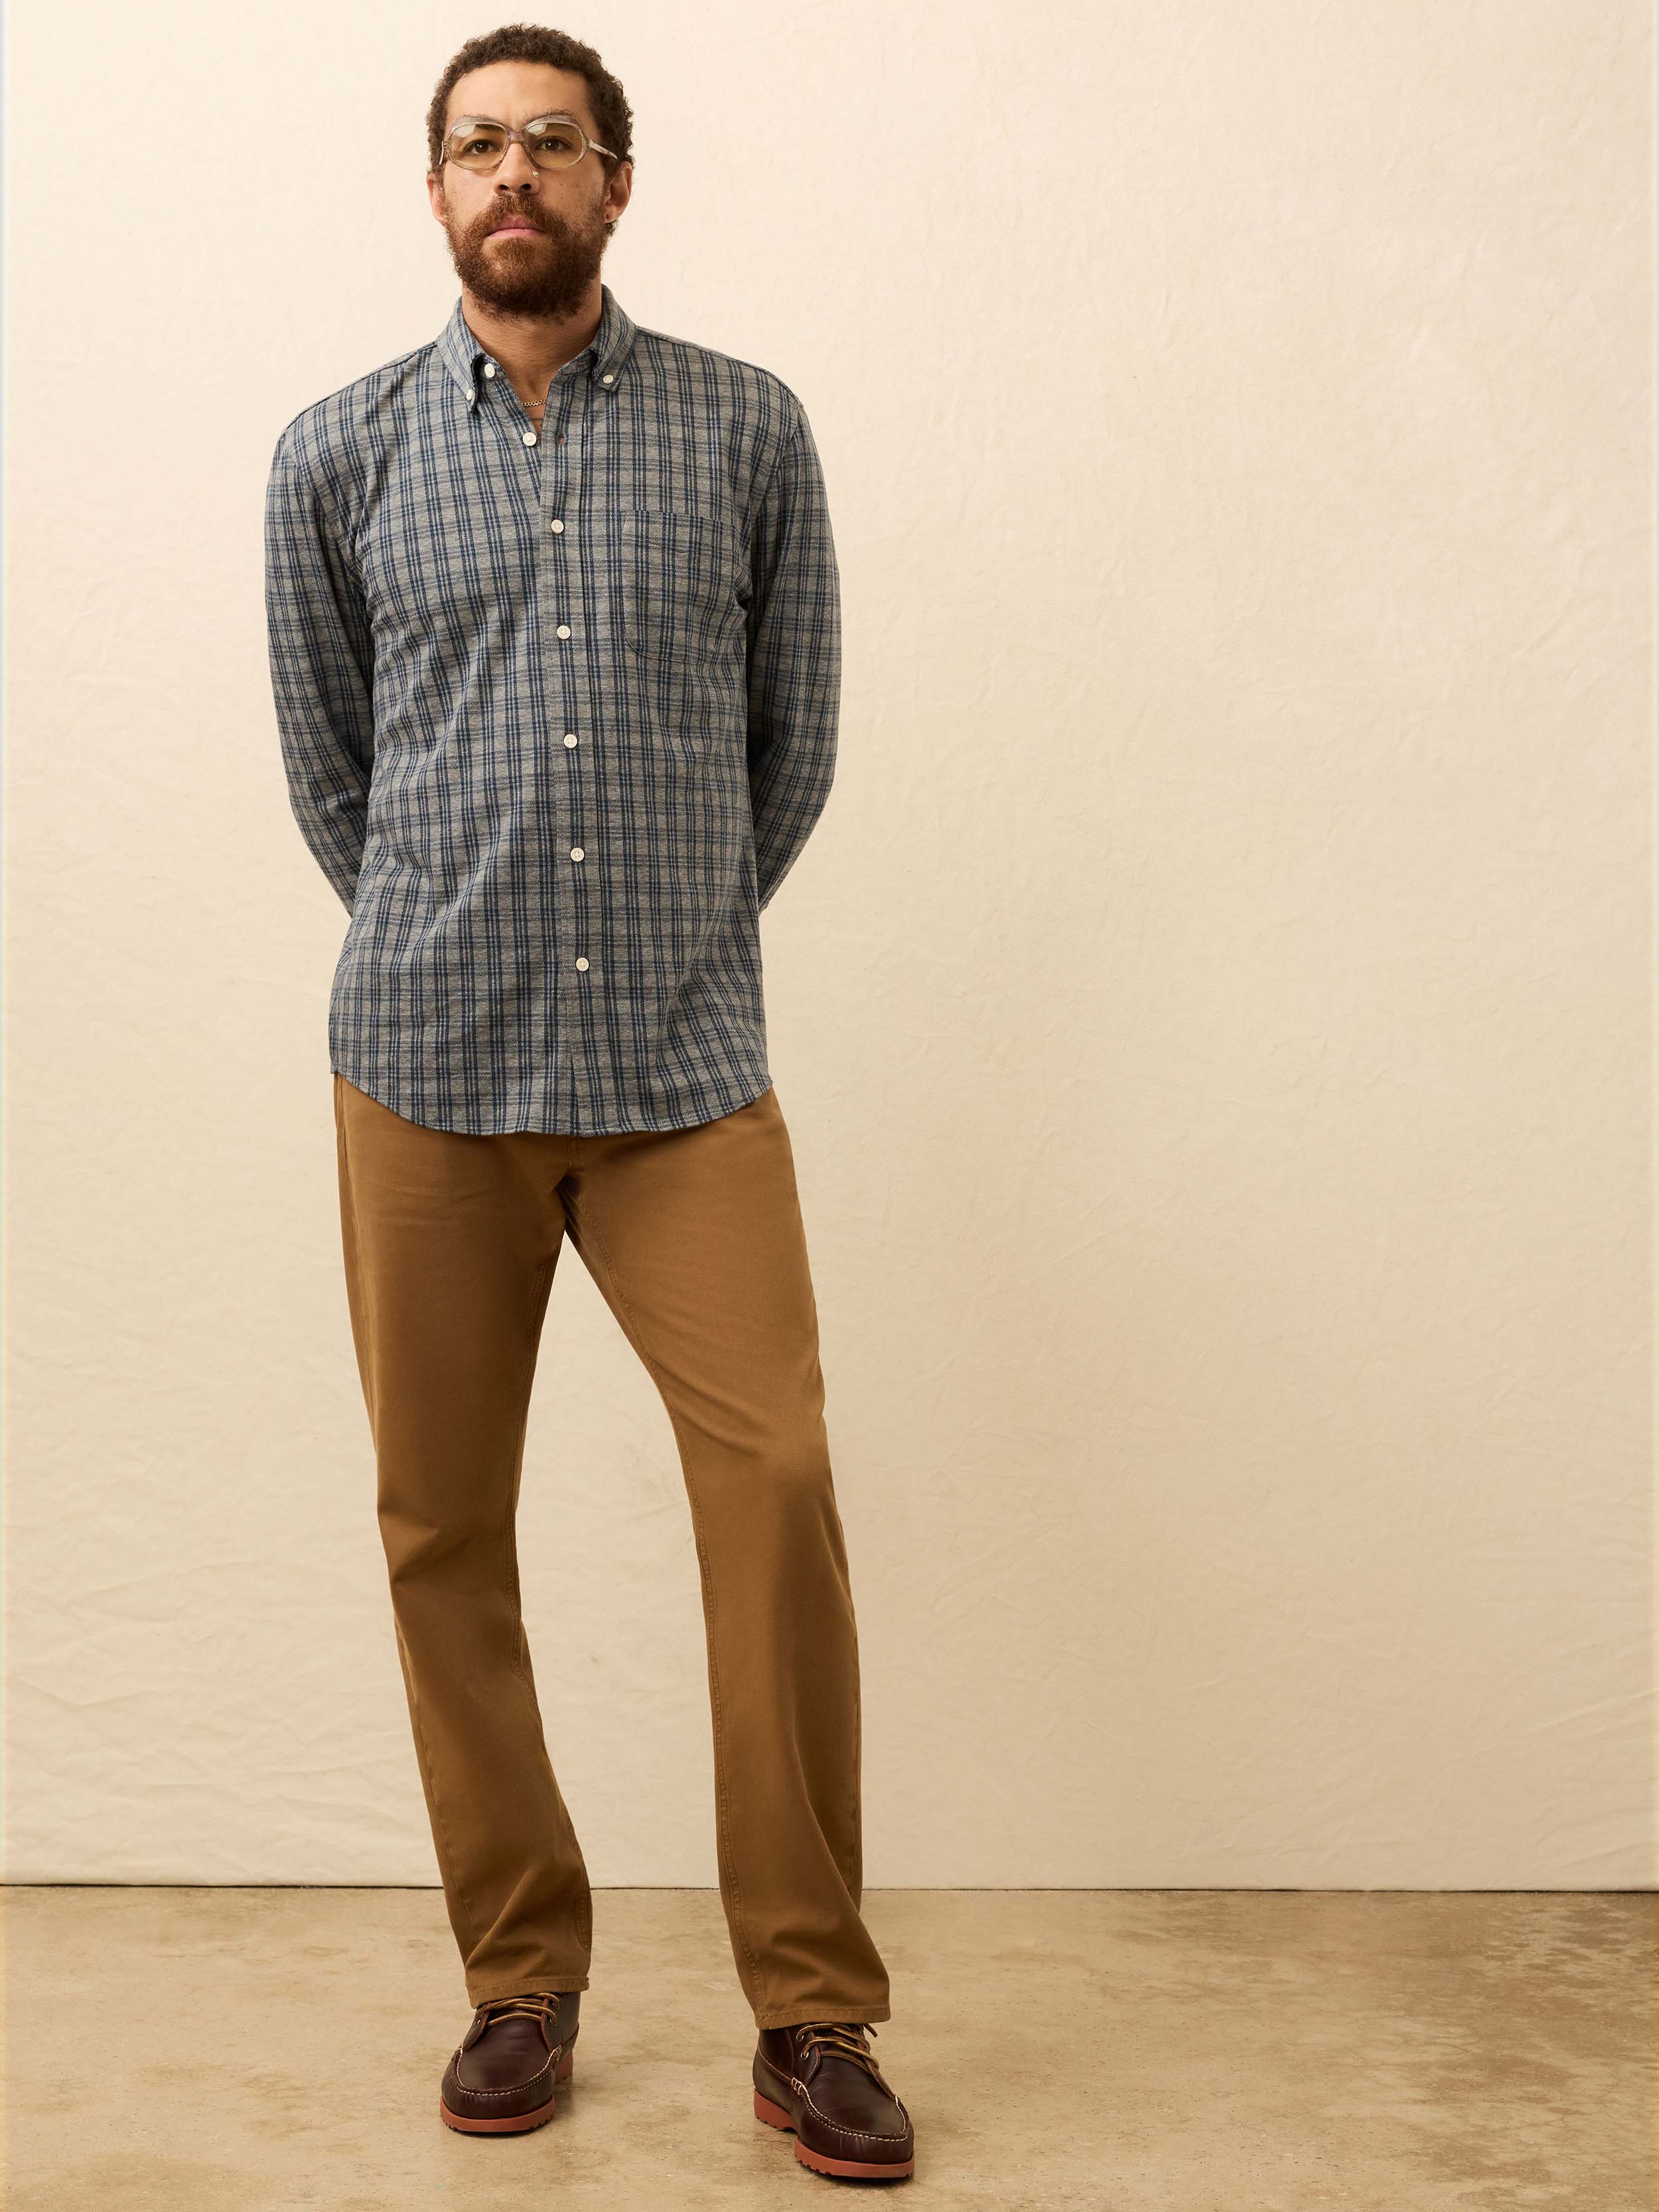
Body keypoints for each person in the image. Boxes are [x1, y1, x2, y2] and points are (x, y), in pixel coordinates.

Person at [261, 21, 914, 2185]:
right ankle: (518, 1977)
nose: (512, 174)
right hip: (423, 1076)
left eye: (551, 143)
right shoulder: (333, 455)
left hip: (679, 1081)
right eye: (476, 146)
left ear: (617, 186)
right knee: (442, 1529)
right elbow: (334, 773)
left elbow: (790, 741)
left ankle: (811, 2012)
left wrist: (667, 940)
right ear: (433, 190)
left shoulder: (746, 429)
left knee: (779, 1489)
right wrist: (452, 930)